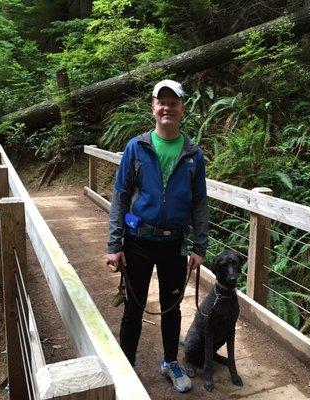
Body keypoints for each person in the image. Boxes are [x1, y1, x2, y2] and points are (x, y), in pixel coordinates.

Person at [105, 79, 208, 393]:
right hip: (137, 241)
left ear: (182, 108)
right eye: (161, 102)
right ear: (153, 107)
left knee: (171, 307)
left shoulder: (193, 154)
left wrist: (199, 244)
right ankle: (127, 363)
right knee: (133, 308)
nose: (167, 107)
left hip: (174, 244)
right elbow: (121, 195)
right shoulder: (136, 147)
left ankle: (170, 362)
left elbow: (199, 202)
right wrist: (114, 243)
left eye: (173, 102)